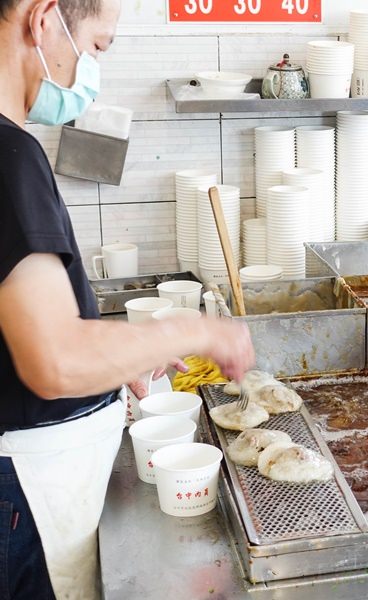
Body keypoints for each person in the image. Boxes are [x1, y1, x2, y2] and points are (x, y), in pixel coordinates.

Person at [0, 1, 255, 598]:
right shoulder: (8, 158)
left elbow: (27, 335)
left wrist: (120, 358)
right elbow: (54, 360)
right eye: (95, 46)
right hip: (22, 494)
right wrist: (195, 331)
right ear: (43, 21)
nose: (91, 69)